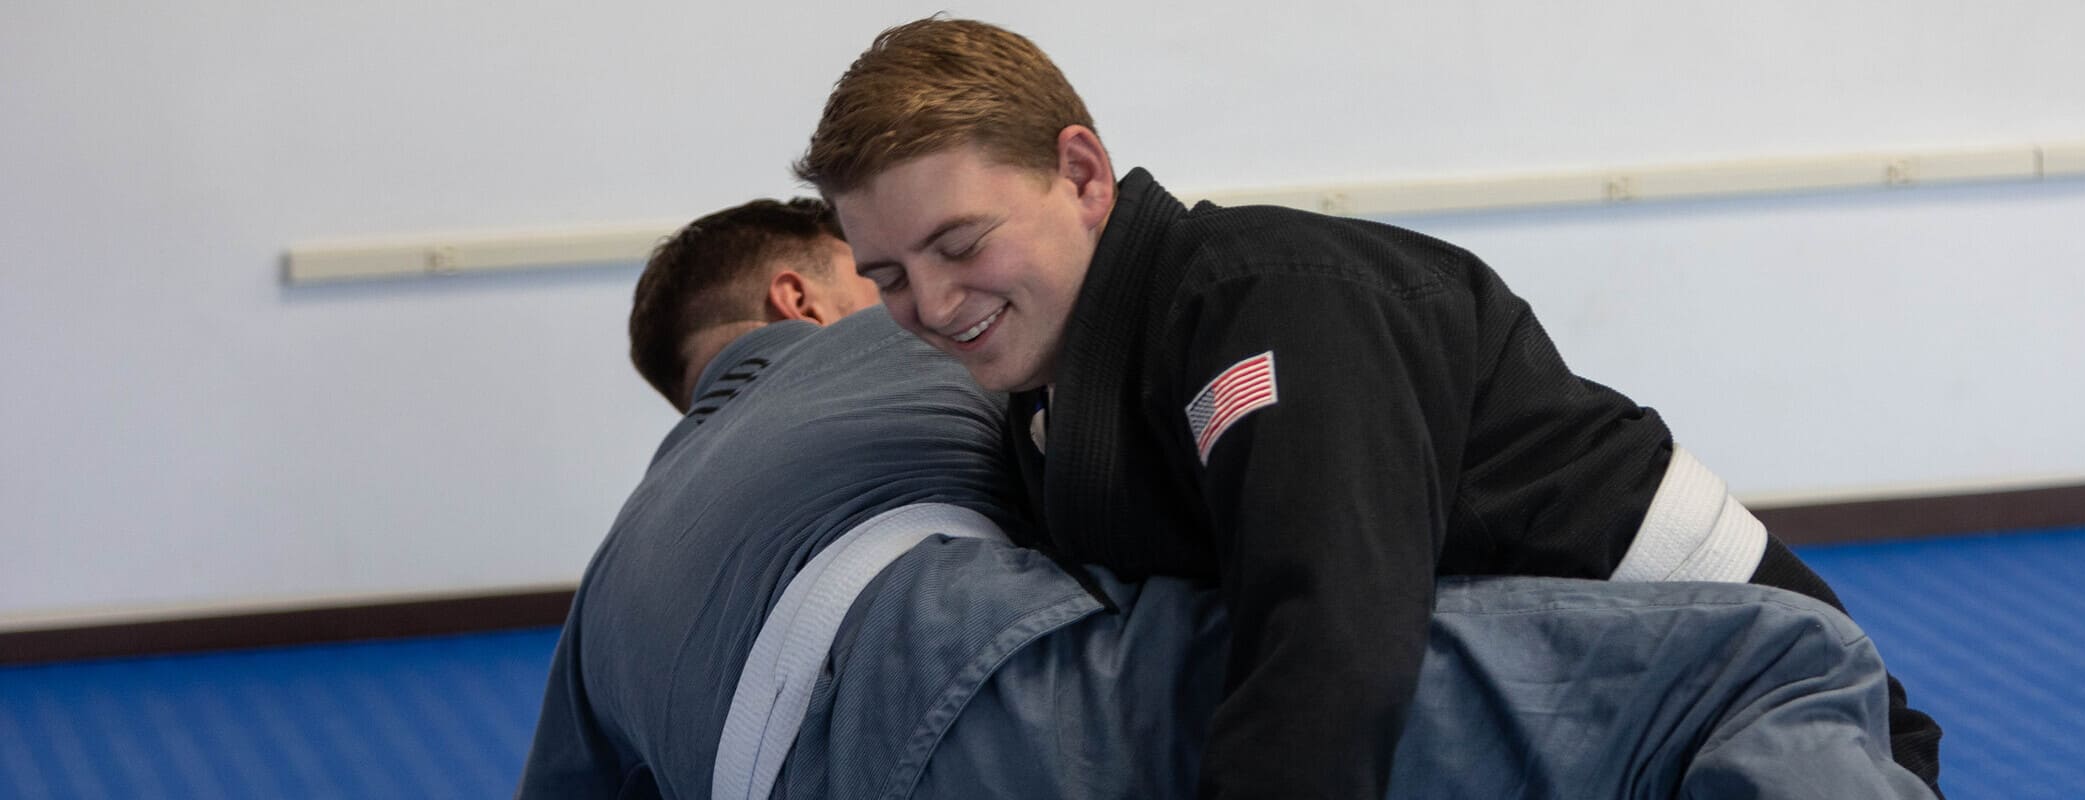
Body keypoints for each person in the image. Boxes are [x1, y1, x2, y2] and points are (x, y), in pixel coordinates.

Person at [798, 18, 1944, 799]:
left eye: (961, 243)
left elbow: (1326, 647)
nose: (934, 304)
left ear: (1085, 176)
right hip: (1555, 702)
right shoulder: (1063, 400)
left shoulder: (1263, 308)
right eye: (889, 276)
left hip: (1756, 709)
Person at [518, 198, 1933, 799]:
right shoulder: (911, 343)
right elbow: (1308, 586)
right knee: (1777, 664)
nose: (922, 296)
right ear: (802, 292)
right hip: (956, 693)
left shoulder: (626, 562)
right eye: (883, 266)